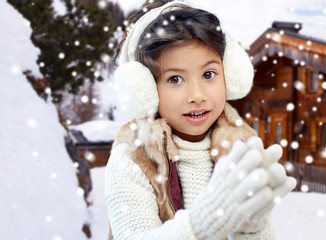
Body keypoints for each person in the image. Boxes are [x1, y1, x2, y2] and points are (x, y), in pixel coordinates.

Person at [105, 0, 296, 239]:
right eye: (175, 79)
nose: (197, 95)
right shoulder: (132, 157)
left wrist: (253, 228)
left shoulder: (241, 147)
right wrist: (201, 224)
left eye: (208, 74)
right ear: (144, 90)